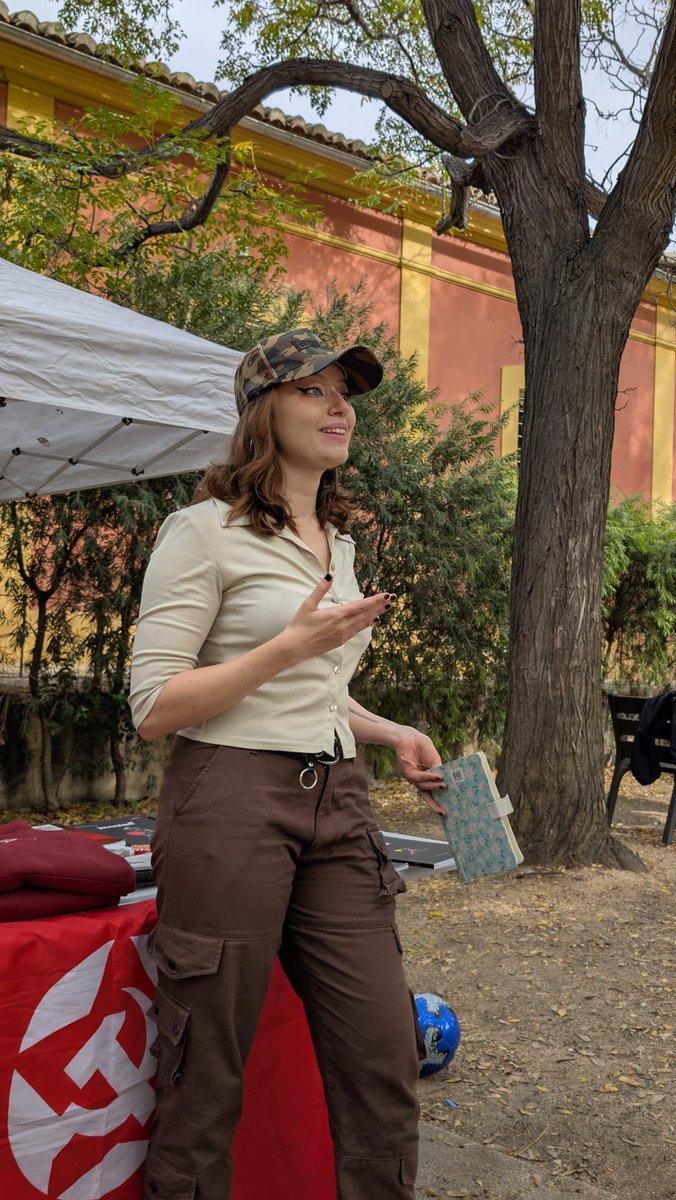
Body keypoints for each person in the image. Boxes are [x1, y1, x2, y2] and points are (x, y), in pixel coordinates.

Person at [129, 327, 447, 1200]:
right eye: (313, 389)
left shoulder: (336, 543)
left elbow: (315, 685)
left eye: (345, 391)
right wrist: (286, 646)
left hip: (339, 800)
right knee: (206, 1076)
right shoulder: (202, 532)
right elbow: (155, 706)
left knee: (385, 1063)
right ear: (262, 410)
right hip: (228, 798)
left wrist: (389, 733)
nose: (340, 405)